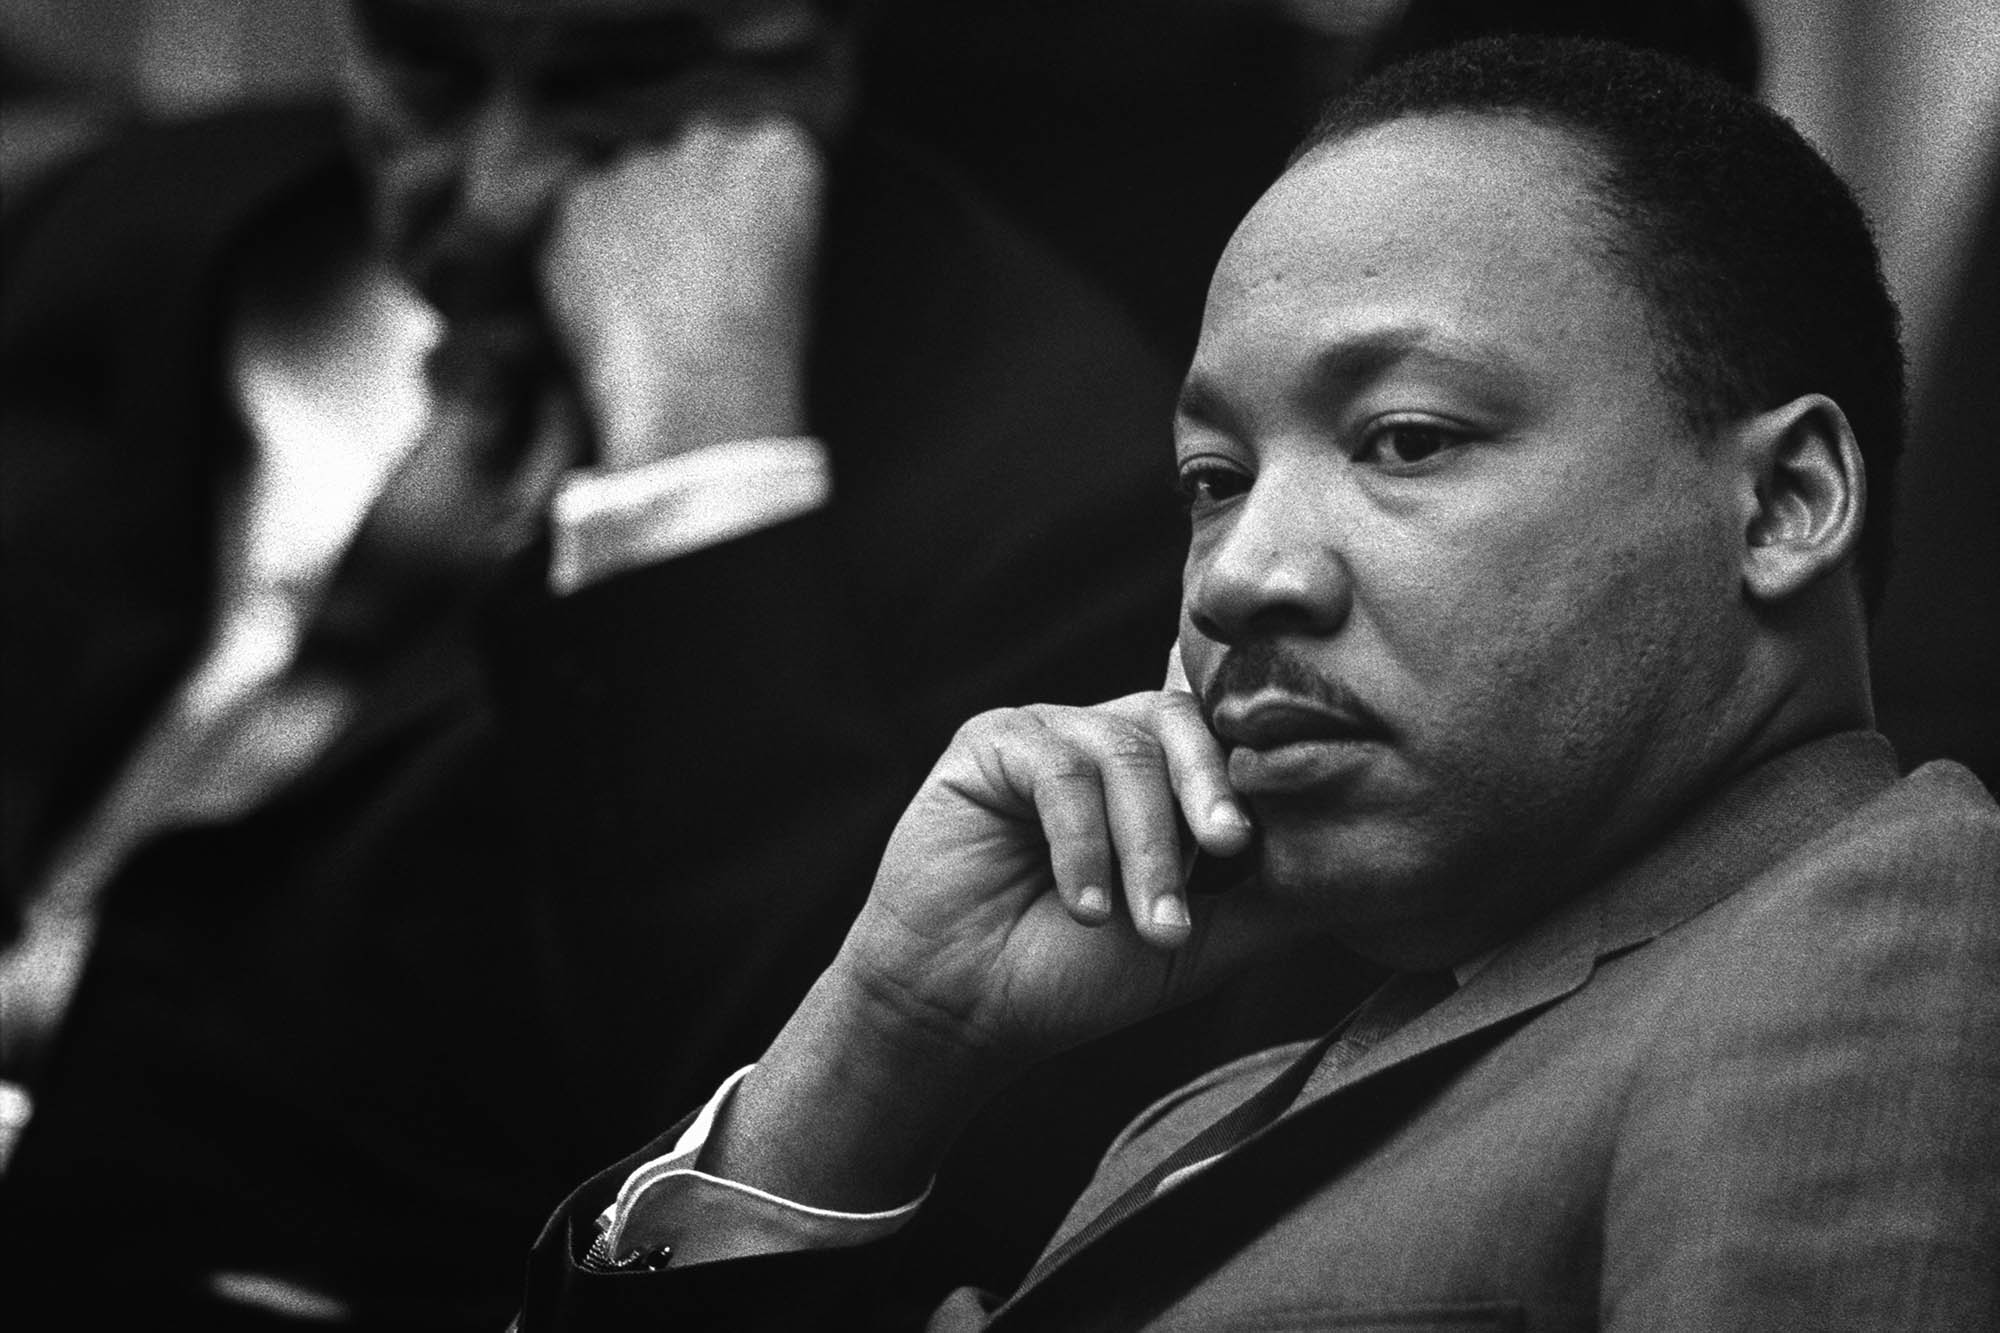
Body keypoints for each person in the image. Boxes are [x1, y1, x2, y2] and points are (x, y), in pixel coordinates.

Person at [515, 36, 2000, 1330]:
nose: (1237, 575)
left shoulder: (1893, 927)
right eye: (1213, 478)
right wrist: (886, 1037)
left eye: (1405, 438)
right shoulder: (1208, 1114)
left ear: (1784, 500)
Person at [1, 0, 1213, 1325]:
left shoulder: (1052, 494)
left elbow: (786, 1130)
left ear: (821, 47)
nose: (494, 193)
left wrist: (697, 470)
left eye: (620, 83)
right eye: (430, 70)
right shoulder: (135, 224)